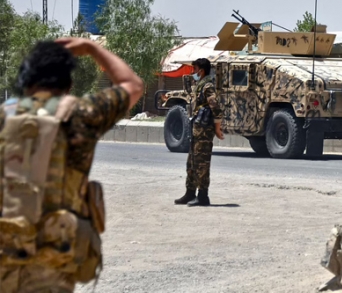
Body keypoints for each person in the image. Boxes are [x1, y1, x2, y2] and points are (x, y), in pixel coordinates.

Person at [0, 38, 144, 293]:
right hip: (52, 267)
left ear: (26, 79)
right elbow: (132, 85)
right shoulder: (81, 114)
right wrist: (92, 48)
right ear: (68, 84)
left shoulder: (3, 116)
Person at [174, 58, 224, 207]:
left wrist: (217, 129)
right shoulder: (200, 85)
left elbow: (216, 108)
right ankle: (190, 193)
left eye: (194, 69)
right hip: (197, 129)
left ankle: (203, 196)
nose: (192, 72)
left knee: (202, 164)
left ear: (201, 71)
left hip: (204, 131)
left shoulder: (207, 86)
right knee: (192, 163)